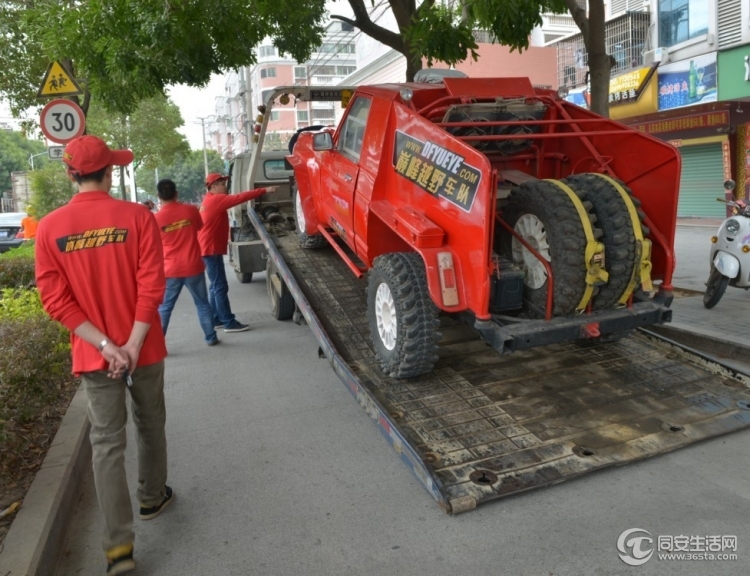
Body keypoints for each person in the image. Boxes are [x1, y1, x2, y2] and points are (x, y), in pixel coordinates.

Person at [34, 135, 172, 576]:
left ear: (69, 173)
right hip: (144, 347)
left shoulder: (50, 229)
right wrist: (131, 344)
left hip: (95, 357)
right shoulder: (137, 217)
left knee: (107, 444)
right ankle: (152, 498)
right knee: (151, 424)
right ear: (109, 172)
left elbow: (55, 300)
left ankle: (118, 550)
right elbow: (153, 285)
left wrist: (107, 347)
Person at [198, 173, 276, 332]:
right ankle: (228, 322)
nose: (224, 186)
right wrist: (264, 190)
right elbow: (240, 197)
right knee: (220, 286)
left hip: (207, 249)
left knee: (215, 286)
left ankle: (216, 319)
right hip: (210, 249)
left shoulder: (208, 200)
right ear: (212, 186)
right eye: (221, 183)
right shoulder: (215, 200)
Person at [154, 178, 219, 346]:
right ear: (176, 194)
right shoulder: (190, 210)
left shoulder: (156, 219)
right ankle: (211, 337)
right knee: (202, 304)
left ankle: (158, 344)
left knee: (165, 307)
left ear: (158, 196)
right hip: (193, 266)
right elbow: (198, 227)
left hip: (171, 269)